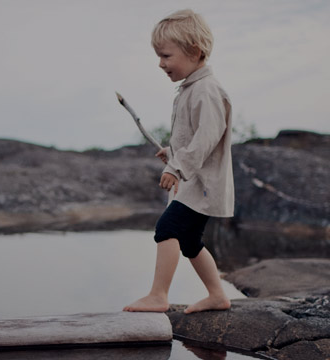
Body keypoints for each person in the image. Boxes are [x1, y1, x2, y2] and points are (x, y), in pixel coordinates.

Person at [123, 9, 234, 314]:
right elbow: (191, 138)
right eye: (159, 56)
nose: (161, 63)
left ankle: (158, 295)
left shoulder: (206, 91)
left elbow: (206, 138)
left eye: (166, 56)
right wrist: (171, 154)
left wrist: (176, 167)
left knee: (167, 227)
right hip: (195, 183)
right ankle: (217, 295)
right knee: (188, 239)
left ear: (194, 51)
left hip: (202, 185)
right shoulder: (191, 89)